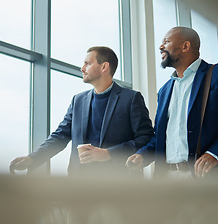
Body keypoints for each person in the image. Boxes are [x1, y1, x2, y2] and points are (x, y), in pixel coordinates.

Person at [126, 27, 218, 178]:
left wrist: (215, 153)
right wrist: (143, 155)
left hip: (208, 178)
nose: (161, 46)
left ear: (185, 46)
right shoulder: (165, 90)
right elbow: (161, 136)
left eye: (166, 41)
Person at [11, 46, 153, 176]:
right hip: (78, 184)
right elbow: (59, 136)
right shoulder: (78, 101)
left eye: (88, 63)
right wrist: (33, 158)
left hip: (118, 183)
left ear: (104, 67)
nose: (82, 68)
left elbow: (145, 138)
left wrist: (108, 154)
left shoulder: (131, 98)